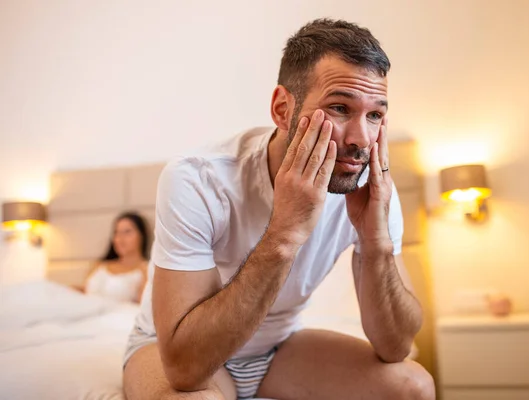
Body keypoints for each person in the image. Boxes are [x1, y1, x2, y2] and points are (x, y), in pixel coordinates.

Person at [123, 18, 435, 400]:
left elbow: (396, 347)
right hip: (176, 347)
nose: (361, 139)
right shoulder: (197, 180)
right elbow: (185, 368)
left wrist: (376, 242)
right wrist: (285, 232)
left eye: (375, 115)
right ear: (283, 109)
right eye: (339, 108)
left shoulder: (370, 185)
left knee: (413, 386)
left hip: (277, 351)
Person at [85, 211, 150, 303]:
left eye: (127, 232)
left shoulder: (146, 271)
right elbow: (85, 293)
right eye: (116, 232)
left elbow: (144, 307)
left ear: (142, 235)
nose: (120, 238)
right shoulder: (99, 266)